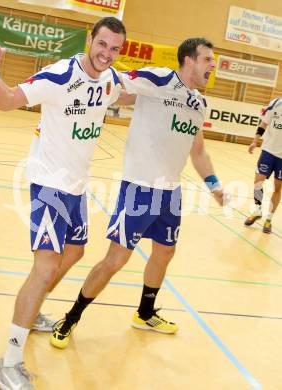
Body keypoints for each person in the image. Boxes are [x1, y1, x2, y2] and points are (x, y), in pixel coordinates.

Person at [50, 38, 227, 350]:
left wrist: (213, 184)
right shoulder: (158, 79)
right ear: (189, 60)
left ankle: (145, 313)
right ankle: (72, 315)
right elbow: (115, 82)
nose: (213, 65)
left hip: (171, 192)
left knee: (165, 253)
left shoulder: (199, 102)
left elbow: (198, 150)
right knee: (115, 259)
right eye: (208, 59)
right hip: (139, 189)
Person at [0, 17, 126, 389]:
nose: (106, 53)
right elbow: (6, 100)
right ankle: (8, 363)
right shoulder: (59, 76)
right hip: (48, 185)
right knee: (44, 267)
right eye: (102, 44)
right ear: (89, 39)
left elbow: (131, 90)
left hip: (76, 188)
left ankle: (33, 310)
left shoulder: (110, 80)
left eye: (114, 48)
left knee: (74, 253)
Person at [244, 97, 282, 233]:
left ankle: (268, 220)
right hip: (268, 151)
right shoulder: (276, 103)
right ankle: (257, 211)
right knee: (257, 183)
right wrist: (255, 141)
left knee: (277, 188)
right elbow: (264, 124)